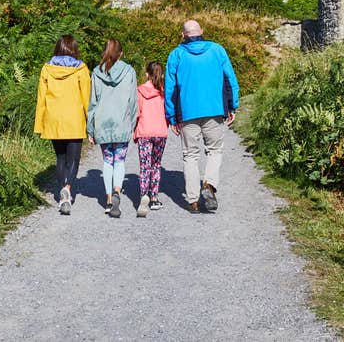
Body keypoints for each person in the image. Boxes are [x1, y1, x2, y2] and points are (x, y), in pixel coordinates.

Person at [164, 20, 240, 213]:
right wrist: (232, 106)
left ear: (183, 35)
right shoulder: (217, 50)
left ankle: (193, 200)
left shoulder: (176, 55)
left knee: (190, 155)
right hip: (214, 110)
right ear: (202, 32)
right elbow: (230, 79)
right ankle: (209, 184)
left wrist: (171, 116)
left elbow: (170, 88)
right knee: (214, 150)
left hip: (187, 112)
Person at [34, 35, 91, 215]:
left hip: (53, 119)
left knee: (60, 158)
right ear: (74, 49)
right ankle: (67, 188)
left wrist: (39, 124)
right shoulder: (81, 69)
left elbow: (41, 98)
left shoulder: (47, 69)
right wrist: (91, 122)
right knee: (73, 159)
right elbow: (87, 98)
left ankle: (61, 197)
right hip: (74, 118)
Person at [87, 39, 137, 218]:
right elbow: (133, 100)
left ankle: (108, 200)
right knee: (120, 160)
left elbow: (93, 102)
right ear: (121, 53)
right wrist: (132, 124)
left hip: (102, 122)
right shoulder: (129, 71)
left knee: (108, 161)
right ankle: (117, 191)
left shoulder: (96, 72)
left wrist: (90, 128)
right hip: (121, 122)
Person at [134, 61, 168, 217]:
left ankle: (143, 196)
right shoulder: (164, 92)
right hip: (160, 132)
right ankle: (154, 198)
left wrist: (134, 130)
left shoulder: (140, 90)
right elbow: (168, 112)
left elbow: (137, 112)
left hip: (145, 132)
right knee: (156, 165)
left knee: (144, 166)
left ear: (147, 74)